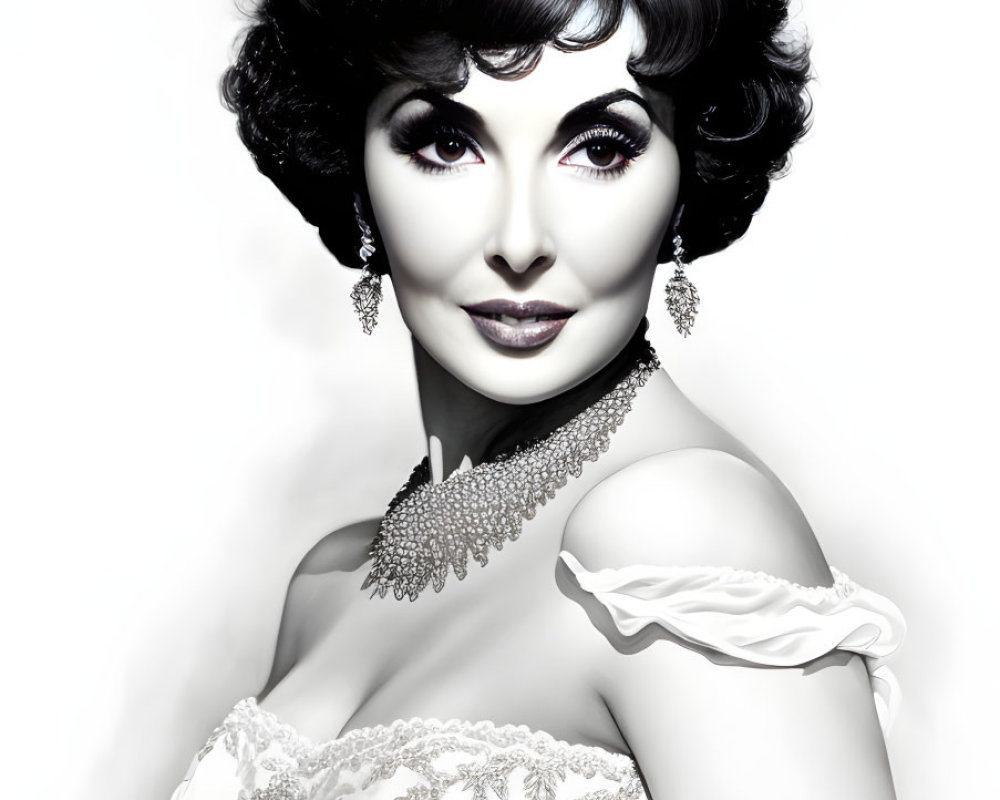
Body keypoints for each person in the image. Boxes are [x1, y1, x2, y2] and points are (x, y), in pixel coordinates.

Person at [171, 1, 905, 797]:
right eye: (448, 144)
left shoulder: (681, 531)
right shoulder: (327, 585)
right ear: (355, 172)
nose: (520, 243)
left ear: (686, 180)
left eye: (598, 149)